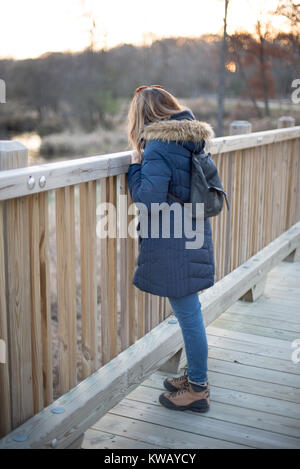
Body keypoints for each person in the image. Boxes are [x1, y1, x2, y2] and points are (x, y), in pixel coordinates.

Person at [127, 85, 215, 413]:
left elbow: (148, 199)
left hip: (175, 240)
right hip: (189, 231)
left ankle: (198, 389)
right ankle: (194, 376)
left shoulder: (159, 146)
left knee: (189, 315)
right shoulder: (188, 140)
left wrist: (136, 165)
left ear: (145, 115)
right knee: (186, 312)